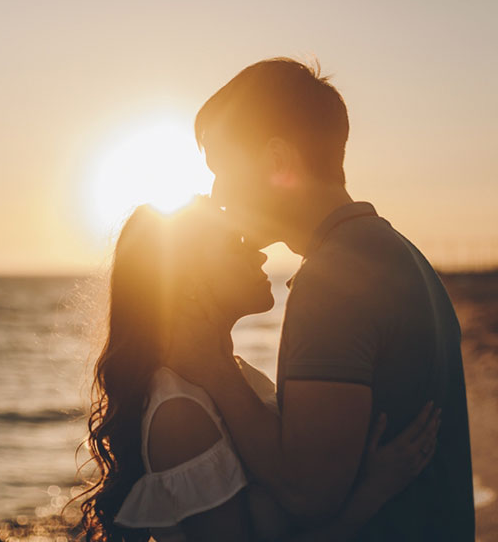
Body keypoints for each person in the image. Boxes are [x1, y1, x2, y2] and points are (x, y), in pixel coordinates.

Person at [169, 58, 474, 540]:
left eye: (222, 170)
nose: (218, 194)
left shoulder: (335, 280)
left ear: (276, 161)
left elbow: (308, 494)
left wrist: (215, 369)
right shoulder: (398, 255)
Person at [79, 198, 440, 542]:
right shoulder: (180, 413)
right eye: (234, 244)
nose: (260, 251)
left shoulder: (229, 377)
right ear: (189, 283)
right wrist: (372, 494)